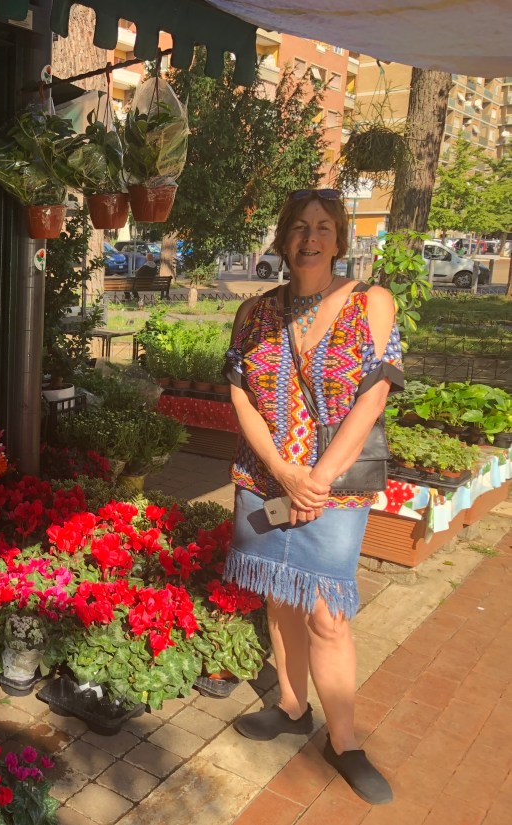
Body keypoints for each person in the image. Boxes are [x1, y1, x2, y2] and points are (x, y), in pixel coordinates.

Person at [222, 188, 403, 806]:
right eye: (299, 226)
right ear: (282, 238)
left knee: (327, 613)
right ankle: (293, 706)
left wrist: (316, 478)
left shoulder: (371, 303)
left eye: (323, 227)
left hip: (335, 489)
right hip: (263, 479)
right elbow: (240, 393)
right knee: (279, 597)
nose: (310, 238)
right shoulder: (253, 313)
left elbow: (373, 397)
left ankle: (344, 742)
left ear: (339, 239)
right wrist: (282, 470)